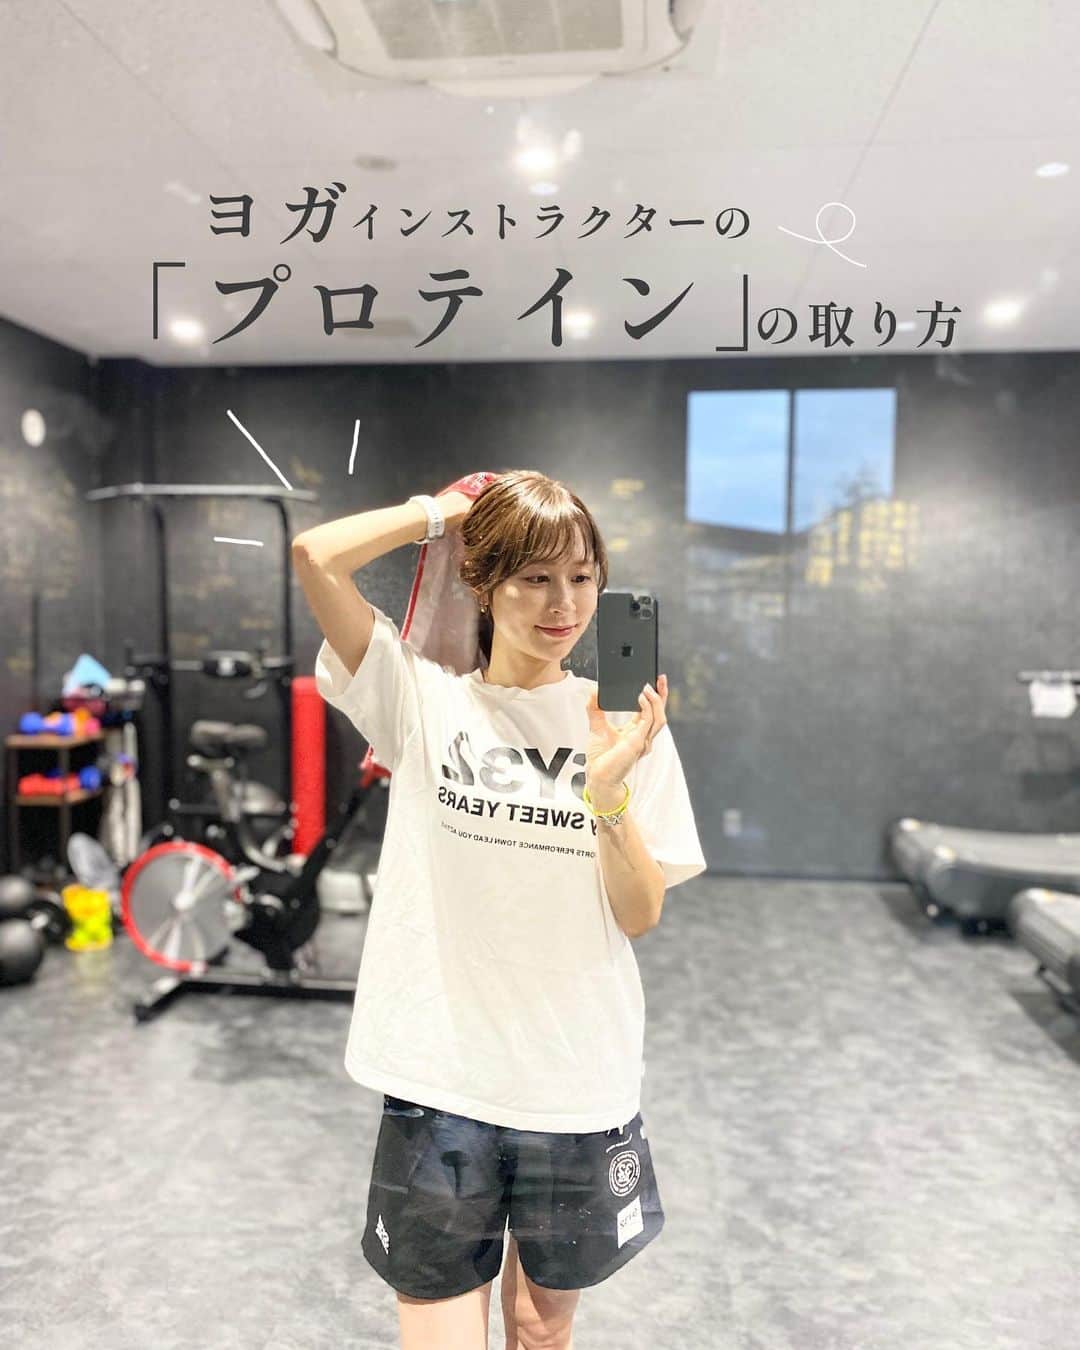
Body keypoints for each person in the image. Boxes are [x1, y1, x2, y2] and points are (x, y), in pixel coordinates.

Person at [293, 470, 706, 1350]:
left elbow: (640, 913)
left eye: (582, 577)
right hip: (441, 1077)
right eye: (534, 577)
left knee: (537, 1330)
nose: (564, 604)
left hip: (575, 1079)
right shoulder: (420, 697)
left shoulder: (626, 729)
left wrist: (608, 793)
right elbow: (316, 557)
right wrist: (442, 515)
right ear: (483, 582)